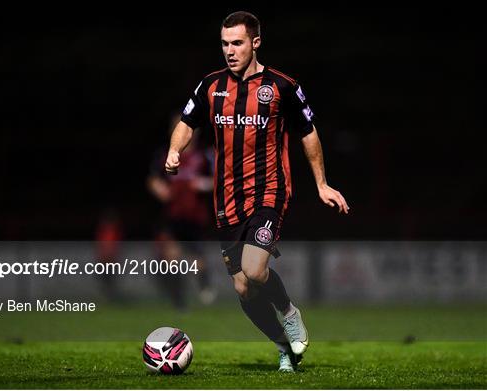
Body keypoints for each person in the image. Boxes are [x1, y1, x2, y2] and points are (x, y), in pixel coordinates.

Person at [165, 11, 349, 372]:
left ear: (255, 43)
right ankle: (284, 347)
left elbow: (308, 132)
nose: (229, 51)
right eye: (224, 43)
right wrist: (175, 149)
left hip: (269, 191)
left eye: (237, 43)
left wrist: (321, 183)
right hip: (226, 200)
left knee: (254, 269)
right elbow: (186, 124)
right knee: (242, 288)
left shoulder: (282, 86)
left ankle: (289, 312)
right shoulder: (210, 86)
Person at [148, 115, 217, 310]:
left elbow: (219, 180)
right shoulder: (165, 154)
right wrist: (159, 188)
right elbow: (153, 179)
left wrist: (202, 185)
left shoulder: (205, 155)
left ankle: (204, 285)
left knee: (197, 261)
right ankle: (179, 301)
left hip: (195, 216)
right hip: (172, 215)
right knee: (172, 258)